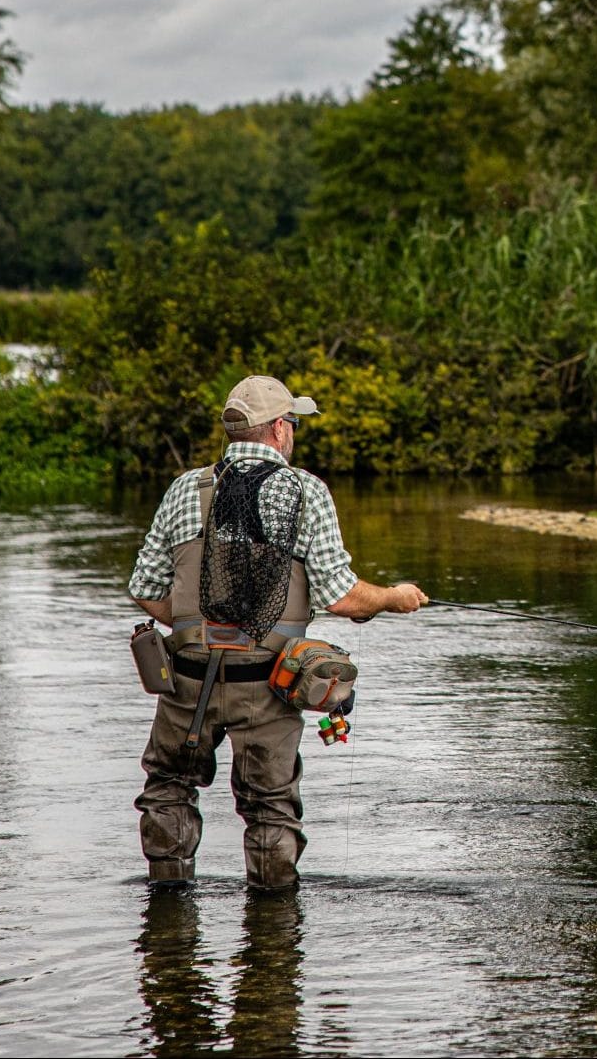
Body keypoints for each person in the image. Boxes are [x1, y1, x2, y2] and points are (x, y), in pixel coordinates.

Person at [127, 374, 427, 890]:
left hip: (186, 681)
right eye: (292, 423)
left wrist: (194, 622)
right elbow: (341, 596)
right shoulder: (305, 491)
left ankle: (168, 919)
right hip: (268, 685)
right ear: (280, 430)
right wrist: (394, 598)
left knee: (169, 788)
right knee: (269, 808)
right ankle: (271, 944)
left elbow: (144, 589)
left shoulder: (183, 488)